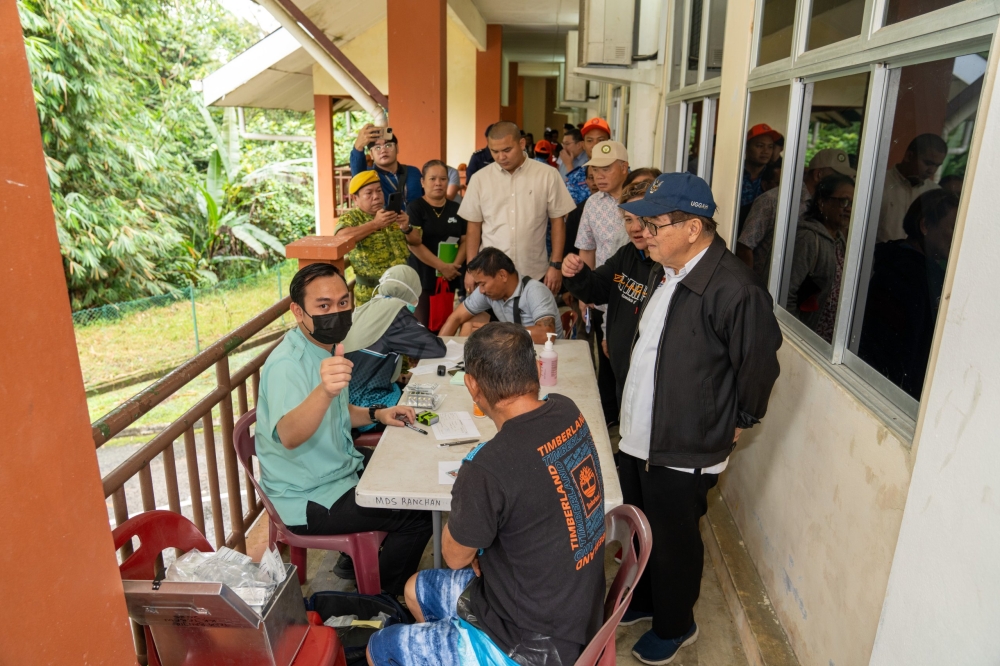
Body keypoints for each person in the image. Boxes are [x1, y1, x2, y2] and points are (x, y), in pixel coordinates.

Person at [366, 323, 607, 666]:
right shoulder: (567, 409)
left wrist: (470, 511)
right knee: (414, 589)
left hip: (530, 642)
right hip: (576, 607)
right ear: (537, 370)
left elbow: (455, 557)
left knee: (379, 648)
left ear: (472, 386)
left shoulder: (486, 467)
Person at [616, 173, 782, 665]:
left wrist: (740, 418)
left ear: (692, 228)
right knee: (640, 527)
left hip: (685, 441)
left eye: (656, 225)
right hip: (641, 434)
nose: (646, 234)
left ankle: (675, 624)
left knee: (675, 540)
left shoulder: (734, 288)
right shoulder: (667, 272)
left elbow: (759, 364)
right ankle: (644, 602)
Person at [255, 263, 432, 597]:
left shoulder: (325, 347)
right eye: (323, 306)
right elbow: (290, 435)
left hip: (338, 466)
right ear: (298, 311)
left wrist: (378, 413)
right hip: (308, 495)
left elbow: (336, 414)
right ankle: (389, 597)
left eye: (342, 303)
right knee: (418, 512)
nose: (335, 312)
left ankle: (351, 563)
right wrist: (324, 390)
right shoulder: (286, 365)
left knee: (412, 478)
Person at [562, 180, 657, 407]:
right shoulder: (627, 254)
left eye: (642, 219)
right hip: (624, 370)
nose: (635, 228)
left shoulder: (669, 266)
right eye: (628, 220)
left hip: (652, 380)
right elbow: (598, 288)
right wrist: (576, 273)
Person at [859, 190, 959, 398]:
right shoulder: (902, 274)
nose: (959, 235)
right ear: (925, 226)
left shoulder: (923, 270)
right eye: (953, 227)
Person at [459, 121, 576, 294]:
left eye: (507, 150)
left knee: (531, 321)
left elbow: (557, 222)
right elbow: (474, 227)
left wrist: (556, 265)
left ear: (521, 144)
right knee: (488, 322)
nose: (501, 157)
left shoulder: (547, 175)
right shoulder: (479, 179)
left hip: (534, 272)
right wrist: (471, 269)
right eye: (495, 151)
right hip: (489, 275)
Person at [342, 265, 446, 424]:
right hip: (367, 404)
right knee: (430, 406)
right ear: (413, 293)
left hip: (345, 400)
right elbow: (436, 348)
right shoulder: (396, 314)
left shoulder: (366, 306)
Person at [574, 139, 631, 424]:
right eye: (595, 169)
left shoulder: (640, 201)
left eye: (606, 169)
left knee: (628, 358)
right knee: (604, 358)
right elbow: (586, 249)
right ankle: (609, 416)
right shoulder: (592, 205)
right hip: (603, 292)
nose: (598, 175)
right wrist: (585, 294)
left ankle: (629, 416)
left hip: (635, 293)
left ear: (624, 168)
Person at [737, 148, 856, 284]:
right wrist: (750, 288)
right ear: (818, 174)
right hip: (767, 287)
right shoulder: (774, 200)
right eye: (836, 176)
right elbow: (745, 247)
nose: (842, 182)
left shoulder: (831, 206)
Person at [786, 173, 856, 342]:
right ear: (822, 202)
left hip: (826, 341)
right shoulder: (808, 238)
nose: (848, 208)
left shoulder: (840, 240)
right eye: (844, 201)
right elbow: (786, 293)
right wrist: (795, 337)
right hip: (803, 339)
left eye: (853, 204)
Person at [439, 247, 562, 342]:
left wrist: (499, 332)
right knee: (470, 321)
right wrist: (438, 349)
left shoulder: (535, 291)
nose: (480, 291)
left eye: (482, 284)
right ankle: (463, 364)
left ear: (502, 275)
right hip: (518, 351)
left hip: (547, 356)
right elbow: (456, 317)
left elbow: (547, 334)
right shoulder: (487, 291)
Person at [335, 171, 420, 306]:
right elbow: (341, 237)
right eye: (369, 193)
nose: (376, 197)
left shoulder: (391, 214)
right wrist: (375, 224)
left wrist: (406, 227)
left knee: (402, 326)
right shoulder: (352, 218)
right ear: (355, 198)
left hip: (402, 289)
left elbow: (417, 240)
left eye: (379, 191)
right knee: (374, 327)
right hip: (371, 293)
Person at [405, 160, 467, 326]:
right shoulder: (415, 208)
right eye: (432, 179)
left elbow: (466, 240)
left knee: (444, 325)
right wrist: (442, 266)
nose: (438, 183)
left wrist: (454, 266)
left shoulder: (457, 208)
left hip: (449, 278)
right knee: (422, 326)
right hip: (422, 278)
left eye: (443, 179)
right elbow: (414, 244)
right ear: (423, 182)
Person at [876, 133, 946, 242]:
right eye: (928, 163)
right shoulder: (878, 183)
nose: (931, 171)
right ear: (909, 156)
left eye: (937, 165)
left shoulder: (935, 193)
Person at [351, 125, 424, 206]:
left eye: (388, 145)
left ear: (397, 148)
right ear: (371, 154)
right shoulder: (370, 176)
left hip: (416, 218)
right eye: (377, 147)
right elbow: (357, 174)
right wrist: (358, 147)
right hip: (386, 219)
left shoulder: (413, 172)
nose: (383, 150)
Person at [739, 123, 782, 226]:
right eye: (760, 146)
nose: (766, 151)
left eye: (770, 147)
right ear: (746, 147)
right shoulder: (735, 173)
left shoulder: (774, 177)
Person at [566, 119, 612, 205]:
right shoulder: (573, 179)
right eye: (590, 140)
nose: (595, 145)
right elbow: (569, 215)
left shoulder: (622, 173)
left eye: (601, 140)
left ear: (610, 143)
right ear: (583, 145)